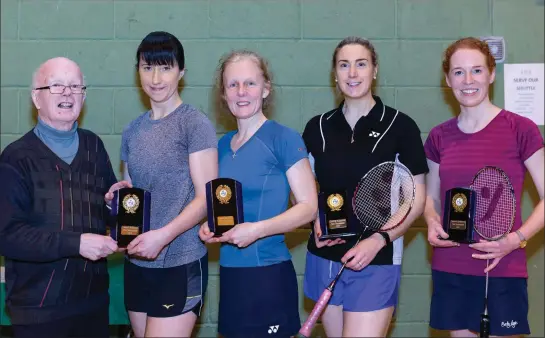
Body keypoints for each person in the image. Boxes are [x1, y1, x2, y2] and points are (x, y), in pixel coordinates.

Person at [301, 36, 429, 337]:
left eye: (361, 64)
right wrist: (313, 219)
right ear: (334, 73)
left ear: (374, 71)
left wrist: (380, 239)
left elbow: (417, 198)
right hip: (325, 257)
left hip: (377, 258)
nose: (352, 73)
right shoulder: (316, 127)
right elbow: (305, 188)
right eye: (344, 65)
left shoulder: (401, 126)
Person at [424, 37, 544, 337]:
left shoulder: (521, 129)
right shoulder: (439, 137)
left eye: (477, 71)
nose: (468, 80)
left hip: (503, 266)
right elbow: (430, 198)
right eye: (459, 72)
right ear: (448, 79)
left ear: (491, 74)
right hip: (451, 266)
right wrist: (430, 220)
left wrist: (516, 239)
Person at [104, 31, 218, 338]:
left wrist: (163, 237)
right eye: (147, 67)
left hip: (178, 261)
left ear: (181, 72)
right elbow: (135, 189)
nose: (155, 78)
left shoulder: (194, 123)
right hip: (137, 261)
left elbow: (207, 197)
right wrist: (119, 195)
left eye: (165, 67)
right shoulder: (133, 130)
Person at [0, 57, 123, 338]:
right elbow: (7, 235)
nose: (67, 93)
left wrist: (111, 204)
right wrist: (76, 244)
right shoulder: (15, 158)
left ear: (83, 96)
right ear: (36, 98)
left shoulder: (94, 146)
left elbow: (107, 219)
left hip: (92, 307)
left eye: (75, 86)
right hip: (38, 313)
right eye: (56, 86)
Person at [199, 50, 317, 338]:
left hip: (268, 273)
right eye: (233, 84)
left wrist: (256, 230)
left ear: (265, 88)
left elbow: (308, 207)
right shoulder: (223, 145)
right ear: (223, 94)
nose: (241, 92)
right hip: (230, 273)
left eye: (250, 83)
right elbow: (223, 206)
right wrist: (210, 227)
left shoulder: (284, 138)